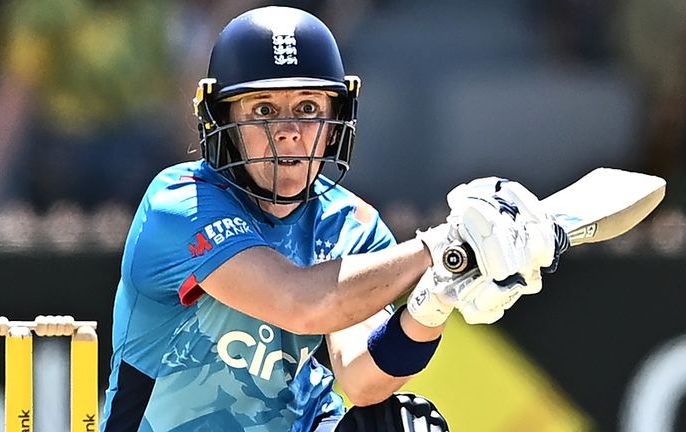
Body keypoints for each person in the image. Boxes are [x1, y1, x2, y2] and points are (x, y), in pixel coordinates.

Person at [100, 6, 562, 432]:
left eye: (308, 108)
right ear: (220, 120)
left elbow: (361, 379)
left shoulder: (350, 223)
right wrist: (439, 245)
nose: (289, 131)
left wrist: (436, 299)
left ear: (336, 117)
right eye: (263, 110)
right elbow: (303, 303)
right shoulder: (180, 204)